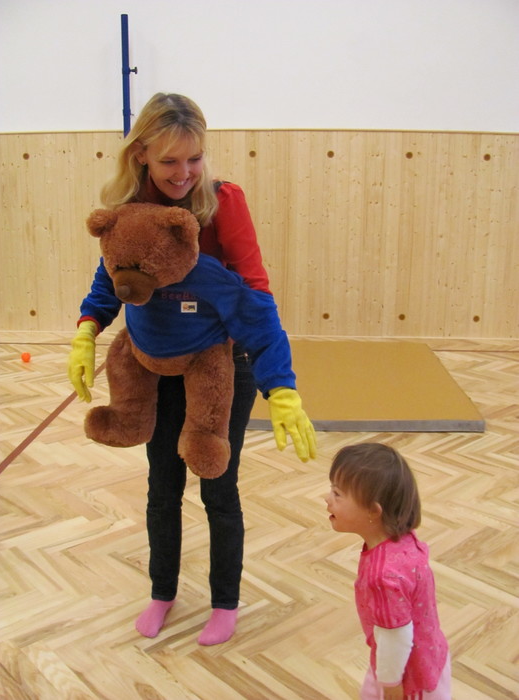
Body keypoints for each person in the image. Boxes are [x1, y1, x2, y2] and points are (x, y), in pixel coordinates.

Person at [68, 93, 316, 646]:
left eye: (195, 158)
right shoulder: (127, 208)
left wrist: (280, 385)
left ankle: (225, 601)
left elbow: (255, 295)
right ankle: (163, 592)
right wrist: (87, 330)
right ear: (140, 155)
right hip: (154, 366)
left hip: (220, 363)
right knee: (162, 487)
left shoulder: (223, 202)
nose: (184, 173)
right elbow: (111, 278)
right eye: (169, 161)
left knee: (217, 487)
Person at [325, 443, 450, 700]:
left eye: (337, 494)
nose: (327, 499)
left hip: (407, 677)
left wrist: (391, 685)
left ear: (373, 510)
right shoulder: (401, 540)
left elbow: (396, 637)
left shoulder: (383, 577)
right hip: (427, 656)